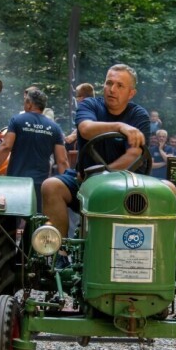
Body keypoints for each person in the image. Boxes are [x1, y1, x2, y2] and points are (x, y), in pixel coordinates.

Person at [41, 64, 150, 238]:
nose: (112, 89)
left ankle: (164, 258)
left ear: (131, 93)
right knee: (51, 186)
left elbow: (134, 155)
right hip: (85, 182)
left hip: (128, 187)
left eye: (119, 85)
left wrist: (102, 180)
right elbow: (85, 129)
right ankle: (58, 252)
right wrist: (120, 126)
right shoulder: (90, 105)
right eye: (109, 83)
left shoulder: (139, 115)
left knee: (170, 190)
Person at [0, 88, 68, 210]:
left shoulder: (17, 120)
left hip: (16, 181)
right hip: (40, 183)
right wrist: (67, 187)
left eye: (25, 101)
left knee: (10, 219)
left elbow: (5, 147)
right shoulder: (55, 128)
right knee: (35, 222)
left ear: (29, 104)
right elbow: (62, 160)